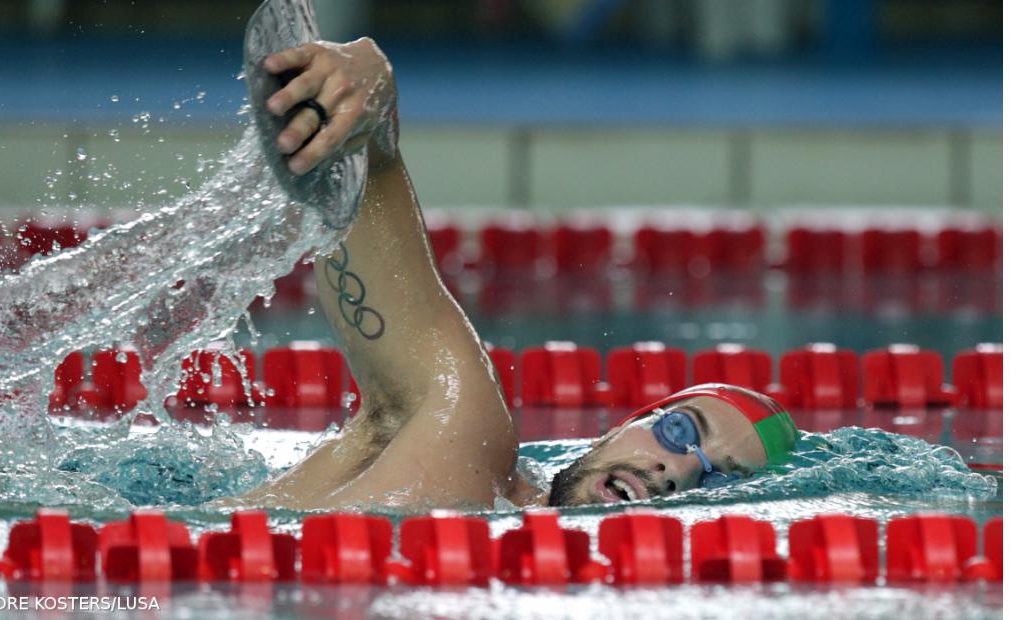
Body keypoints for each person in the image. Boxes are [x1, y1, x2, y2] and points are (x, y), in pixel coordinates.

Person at [229, 37, 798, 511]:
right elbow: (403, 386)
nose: (672, 471)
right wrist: (370, 122)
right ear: (625, 424)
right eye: (680, 432)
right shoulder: (467, 447)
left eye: (720, 479)